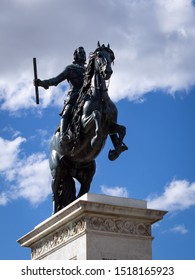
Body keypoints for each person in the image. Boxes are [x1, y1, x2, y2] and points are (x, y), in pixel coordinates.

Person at [34, 47, 86, 144]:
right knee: (66, 112)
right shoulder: (70, 69)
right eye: (80, 53)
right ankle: (63, 135)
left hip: (88, 95)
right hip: (75, 96)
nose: (83, 54)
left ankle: (116, 142)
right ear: (76, 55)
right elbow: (56, 80)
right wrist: (42, 83)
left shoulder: (90, 70)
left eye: (84, 53)